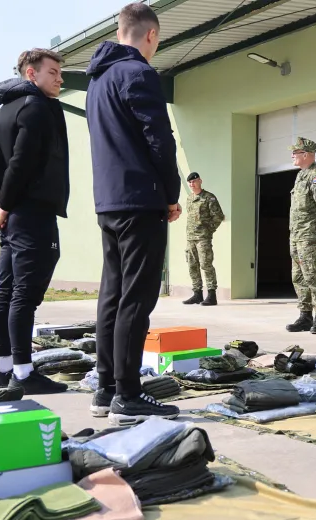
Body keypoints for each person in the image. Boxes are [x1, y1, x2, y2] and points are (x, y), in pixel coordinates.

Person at [85, 2, 182, 425]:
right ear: (151, 36)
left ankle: (105, 387)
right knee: (137, 300)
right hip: (141, 200)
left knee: (113, 295)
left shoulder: (98, 80)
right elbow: (159, 140)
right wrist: (171, 193)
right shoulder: (139, 74)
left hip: (109, 201)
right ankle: (128, 393)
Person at [0, 48, 70, 395]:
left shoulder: (8, 108)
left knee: (5, 291)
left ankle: (2, 367)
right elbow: (21, 162)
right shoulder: (36, 108)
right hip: (31, 211)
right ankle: (22, 372)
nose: (60, 79)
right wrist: (4, 204)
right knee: (24, 294)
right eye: (53, 73)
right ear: (31, 74)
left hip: (15, 212)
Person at [285, 137, 316, 335]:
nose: (292, 156)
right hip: (296, 234)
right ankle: (305, 315)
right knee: (298, 276)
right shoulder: (301, 176)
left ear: (306, 155)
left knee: (313, 275)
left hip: (310, 234)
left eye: (295, 153)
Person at [182, 171, 224, 307]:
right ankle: (197, 294)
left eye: (194, 181)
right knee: (192, 265)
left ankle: (211, 295)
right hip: (190, 238)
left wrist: (208, 230)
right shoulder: (189, 198)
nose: (191, 184)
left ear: (200, 181)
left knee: (206, 264)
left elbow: (218, 216)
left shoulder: (208, 198)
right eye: (189, 182)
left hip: (203, 238)